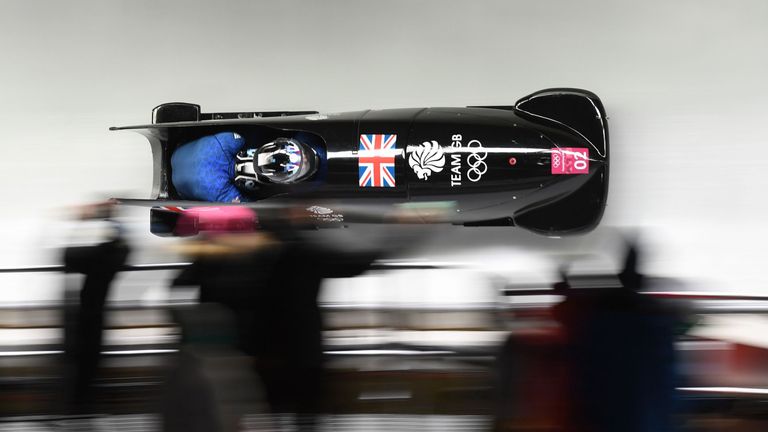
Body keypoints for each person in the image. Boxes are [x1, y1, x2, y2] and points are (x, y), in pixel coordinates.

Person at [553, 244, 680, 432]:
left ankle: (630, 265)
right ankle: (630, 265)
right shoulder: (649, 321)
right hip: (622, 382)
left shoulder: (653, 320)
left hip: (624, 379)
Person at [61, 201, 130, 413]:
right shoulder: (116, 253)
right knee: (91, 362)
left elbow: (67, 256)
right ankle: (85, 404)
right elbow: (124, 246)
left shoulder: (97, 254)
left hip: (84, 314)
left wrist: (81, 223)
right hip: (97, 314)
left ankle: (78, 405)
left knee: (81, 363)